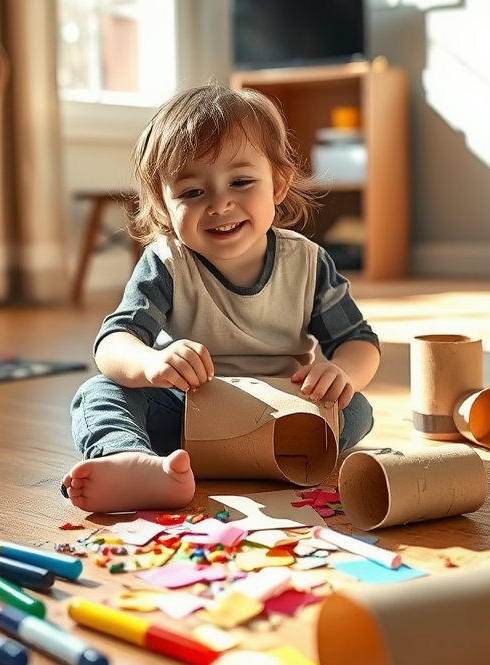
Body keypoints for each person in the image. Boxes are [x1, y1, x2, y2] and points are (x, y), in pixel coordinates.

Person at [63, 81, 381, 514]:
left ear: (278, 185)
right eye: (192, 192)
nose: (219, 204)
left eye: (241, 181)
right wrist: (151, 362)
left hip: (282, 413)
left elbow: (358, 341)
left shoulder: (307, 261)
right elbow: (114, 342)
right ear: (163, 205)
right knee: (100, 392)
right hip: (186, 413)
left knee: (356, 408)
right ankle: (128, 462)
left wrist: (342, 372)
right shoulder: (167, 262)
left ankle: (259, 454)